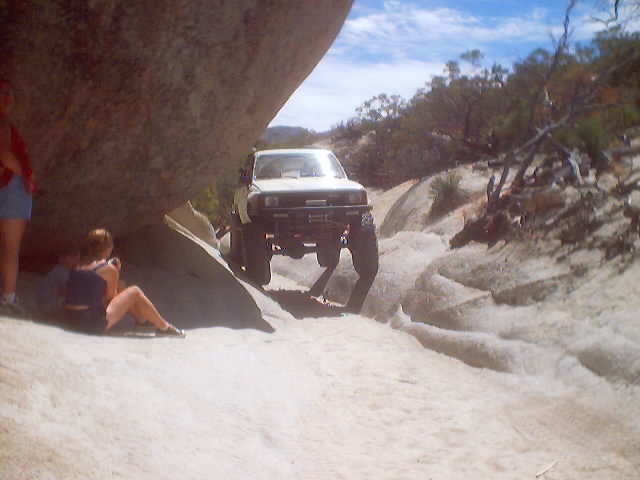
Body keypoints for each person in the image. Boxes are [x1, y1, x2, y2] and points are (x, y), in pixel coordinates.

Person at [64, 228, 185, 337]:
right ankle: (164, 327)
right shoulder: (108, 269)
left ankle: (141, 321)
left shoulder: (79, 264)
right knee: (134, 291)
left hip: (71, 319)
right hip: (89, 324)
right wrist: (115, 272)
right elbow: (111, 298)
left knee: (121, 285)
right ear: (108, 248)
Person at [0, 78, 36, 315]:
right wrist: (26, 175)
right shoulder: (2, 123)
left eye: (10, 92)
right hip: (12, 187)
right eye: (3, 92)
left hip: (9, 185)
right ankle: (9, 298)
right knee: (11, 248)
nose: (8, 98)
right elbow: (3, 153)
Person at [37, 247, 81, 317]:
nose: (76, 262)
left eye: (77, 259)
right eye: (72, 258)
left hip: (48, 304)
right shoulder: (61, 271)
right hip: (47, 305)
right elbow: (67, 291)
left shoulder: (63, 270)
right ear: (61, 259)